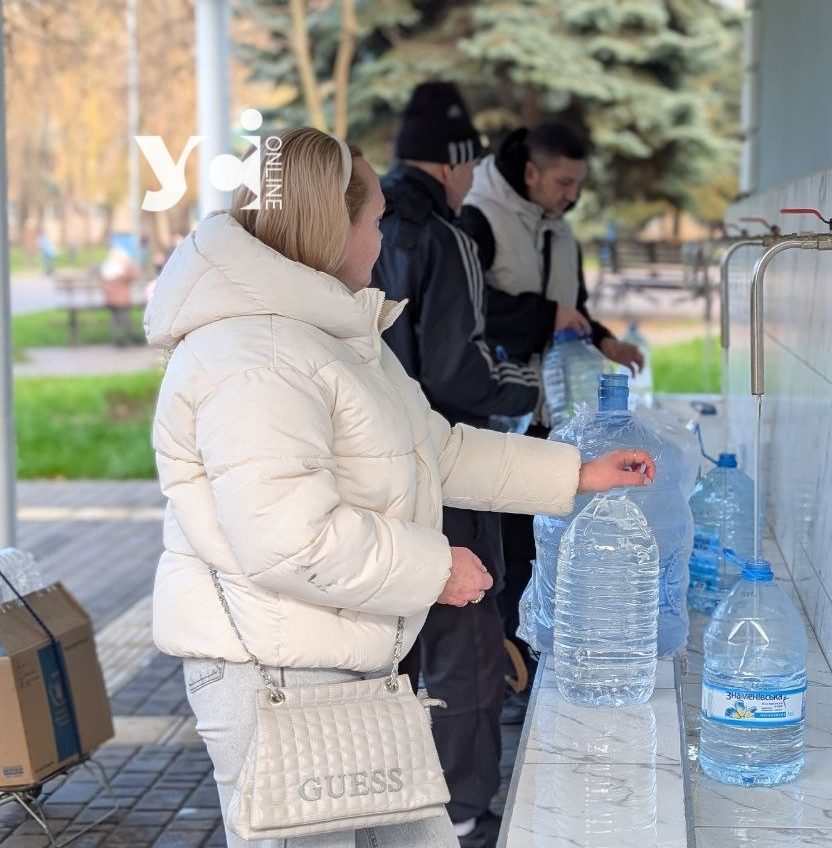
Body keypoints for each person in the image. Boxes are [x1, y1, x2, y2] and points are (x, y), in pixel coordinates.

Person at [144, 126, 656, 848]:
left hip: (343, 661)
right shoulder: (253, 355)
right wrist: (434, 567)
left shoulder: (326, 336)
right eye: (376, 220)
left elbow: (433, 451)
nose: (385, 241)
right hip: (275, 678)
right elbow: (289, 536)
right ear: (332, 226)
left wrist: (575, 473)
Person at [369, 82, 539, 848]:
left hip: (368, 482)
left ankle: (390, 802)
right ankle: (465, 811)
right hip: (441, 471)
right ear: (457, 161)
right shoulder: (443, 238)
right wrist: (530, 388)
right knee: (467, 651)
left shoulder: (365, 226)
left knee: (391, 651)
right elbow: (457, 375)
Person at [457, 120, 645, 723]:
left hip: (550, 415)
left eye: (578, 184)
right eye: (563, 181)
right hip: (494, 418)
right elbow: (472, 313)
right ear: (532, 172)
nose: (571, 195)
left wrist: (607, 342)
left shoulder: (561, 232)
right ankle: (505, 679)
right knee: (502, 553)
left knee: (544, 546)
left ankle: (535, 662)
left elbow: (575, 311)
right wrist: (547, 316)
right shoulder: (479, 220)